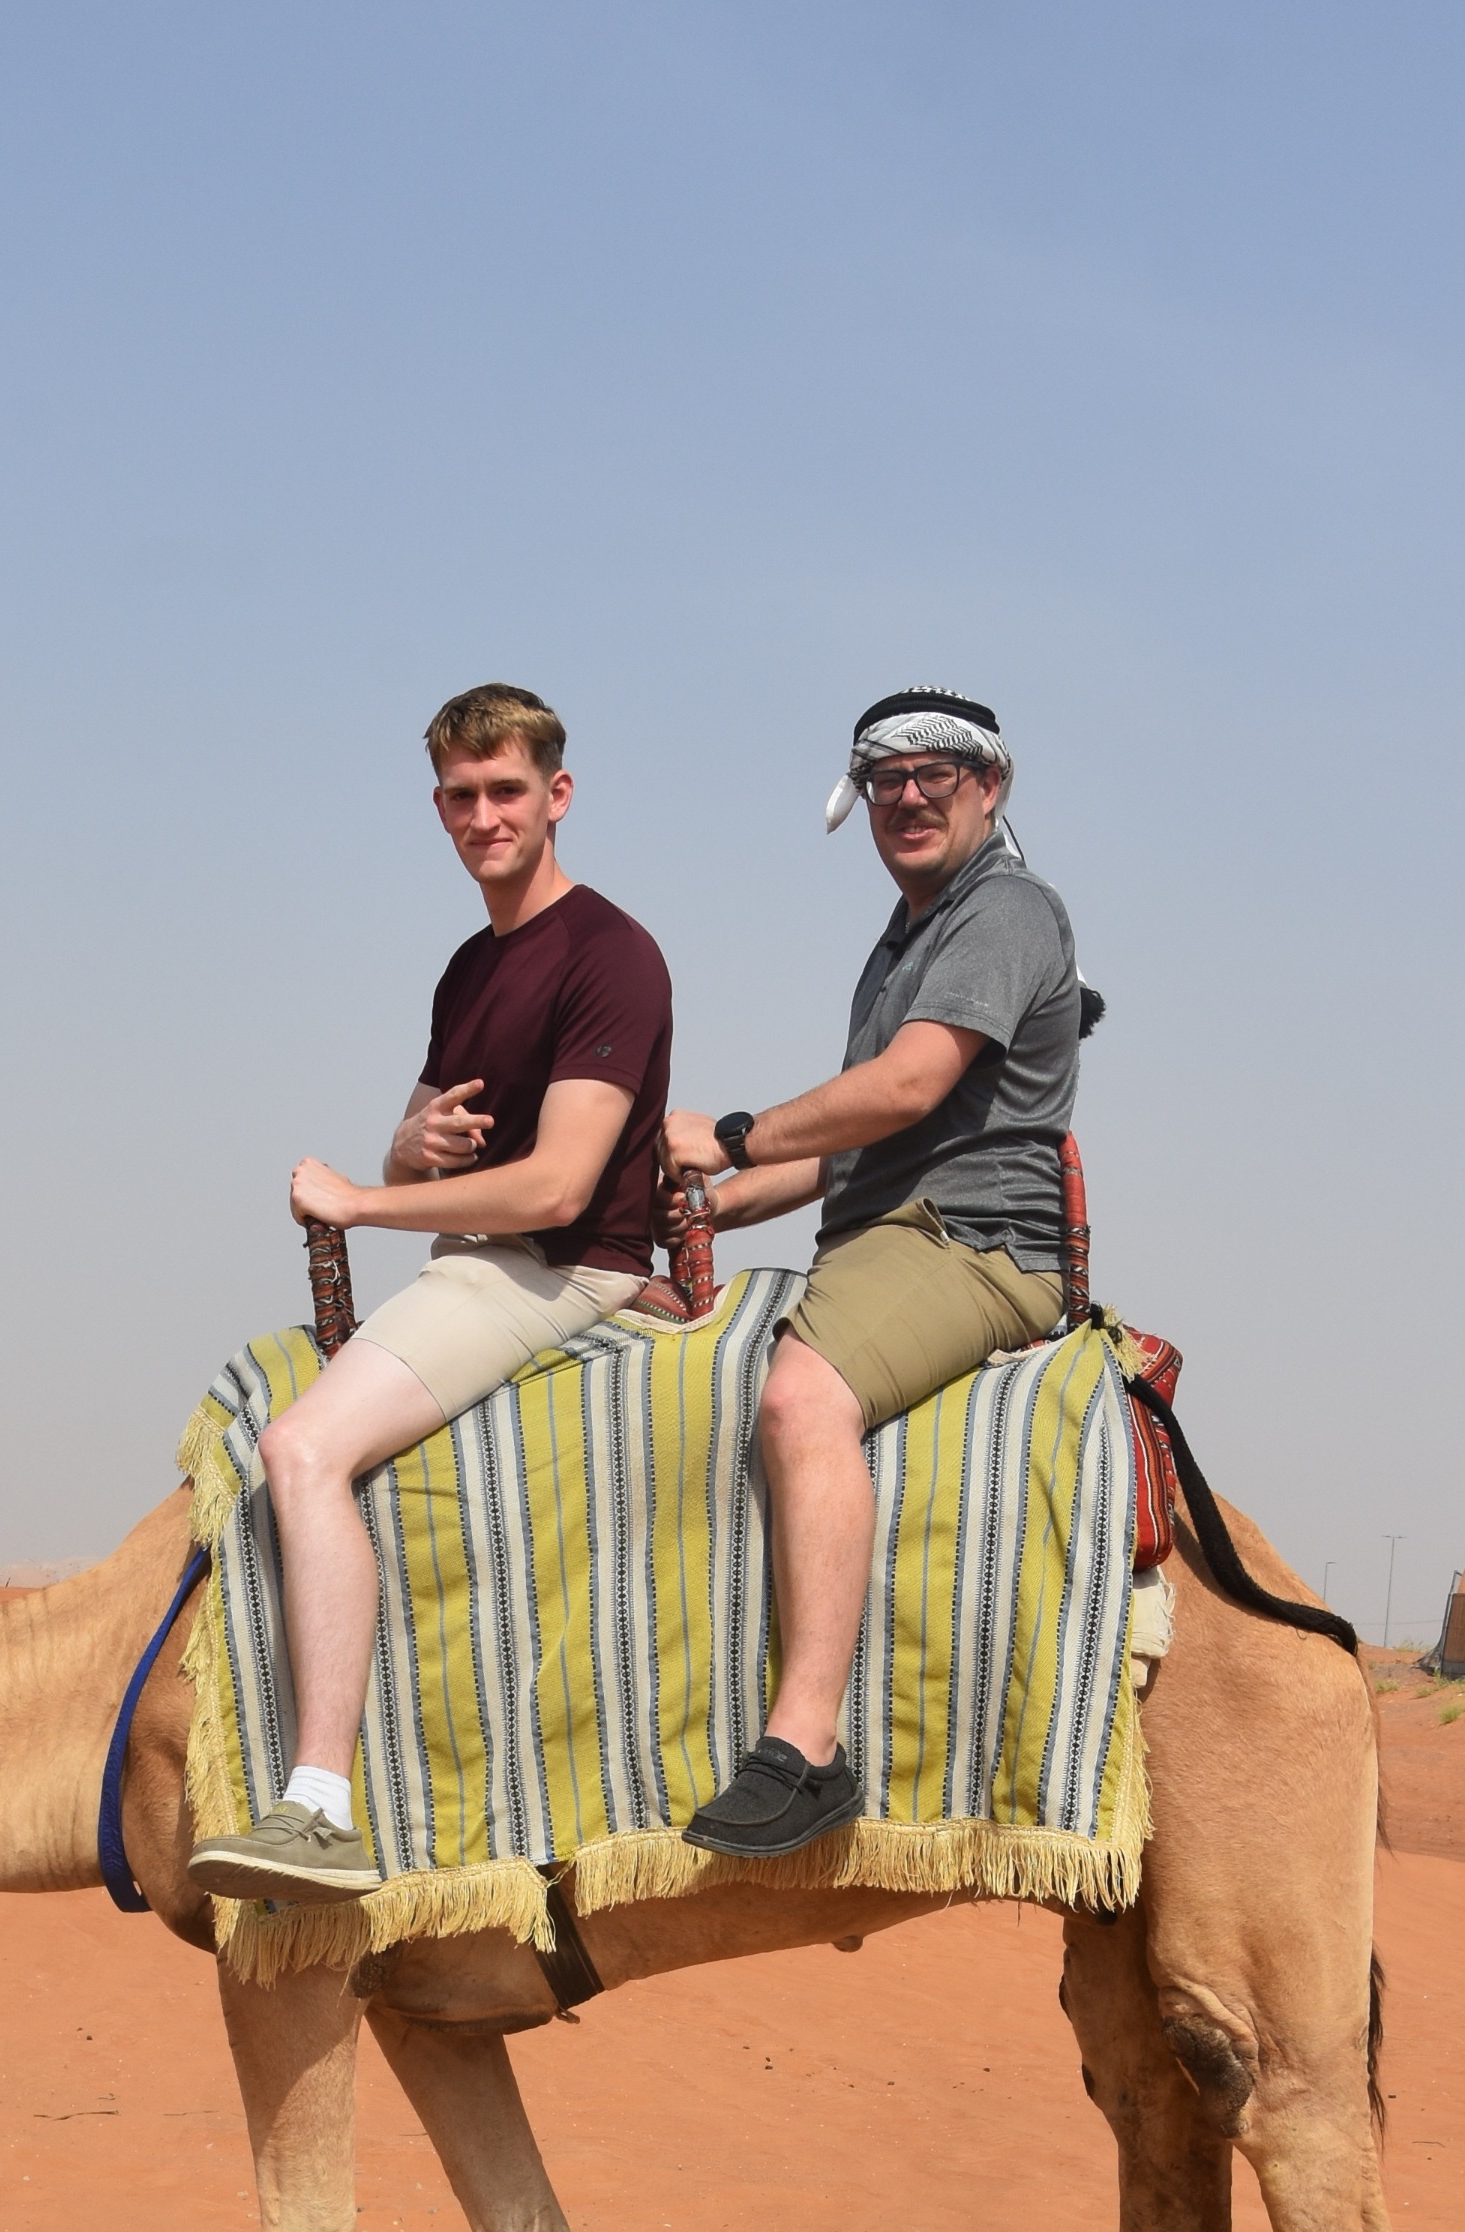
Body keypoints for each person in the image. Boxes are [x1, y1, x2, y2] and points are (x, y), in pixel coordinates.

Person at [190, 684, 675, 1905]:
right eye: (461, 797)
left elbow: (561, 1184)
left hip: (553, 1268)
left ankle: (320, 1805)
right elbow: (427, 1154)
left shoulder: (611, 955)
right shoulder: (473, 965)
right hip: (480, 1257)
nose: (483, 816)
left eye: (506, 791)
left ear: (557, 796)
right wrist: (412, 1152)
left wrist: (360, 1196)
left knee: (300, 1449)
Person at [661, 685, 1086, 1859]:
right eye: (888, 779)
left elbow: (903, 1091)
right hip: (885, 1226)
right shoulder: (909, 937)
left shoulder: (1005, 911)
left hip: (970, 1239)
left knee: (802, 1398)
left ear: (987, 788)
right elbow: (849, 1141)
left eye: (935, 776)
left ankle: (808, 1749)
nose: (909, 796)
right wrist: (704, 1205)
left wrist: (734, 1134)